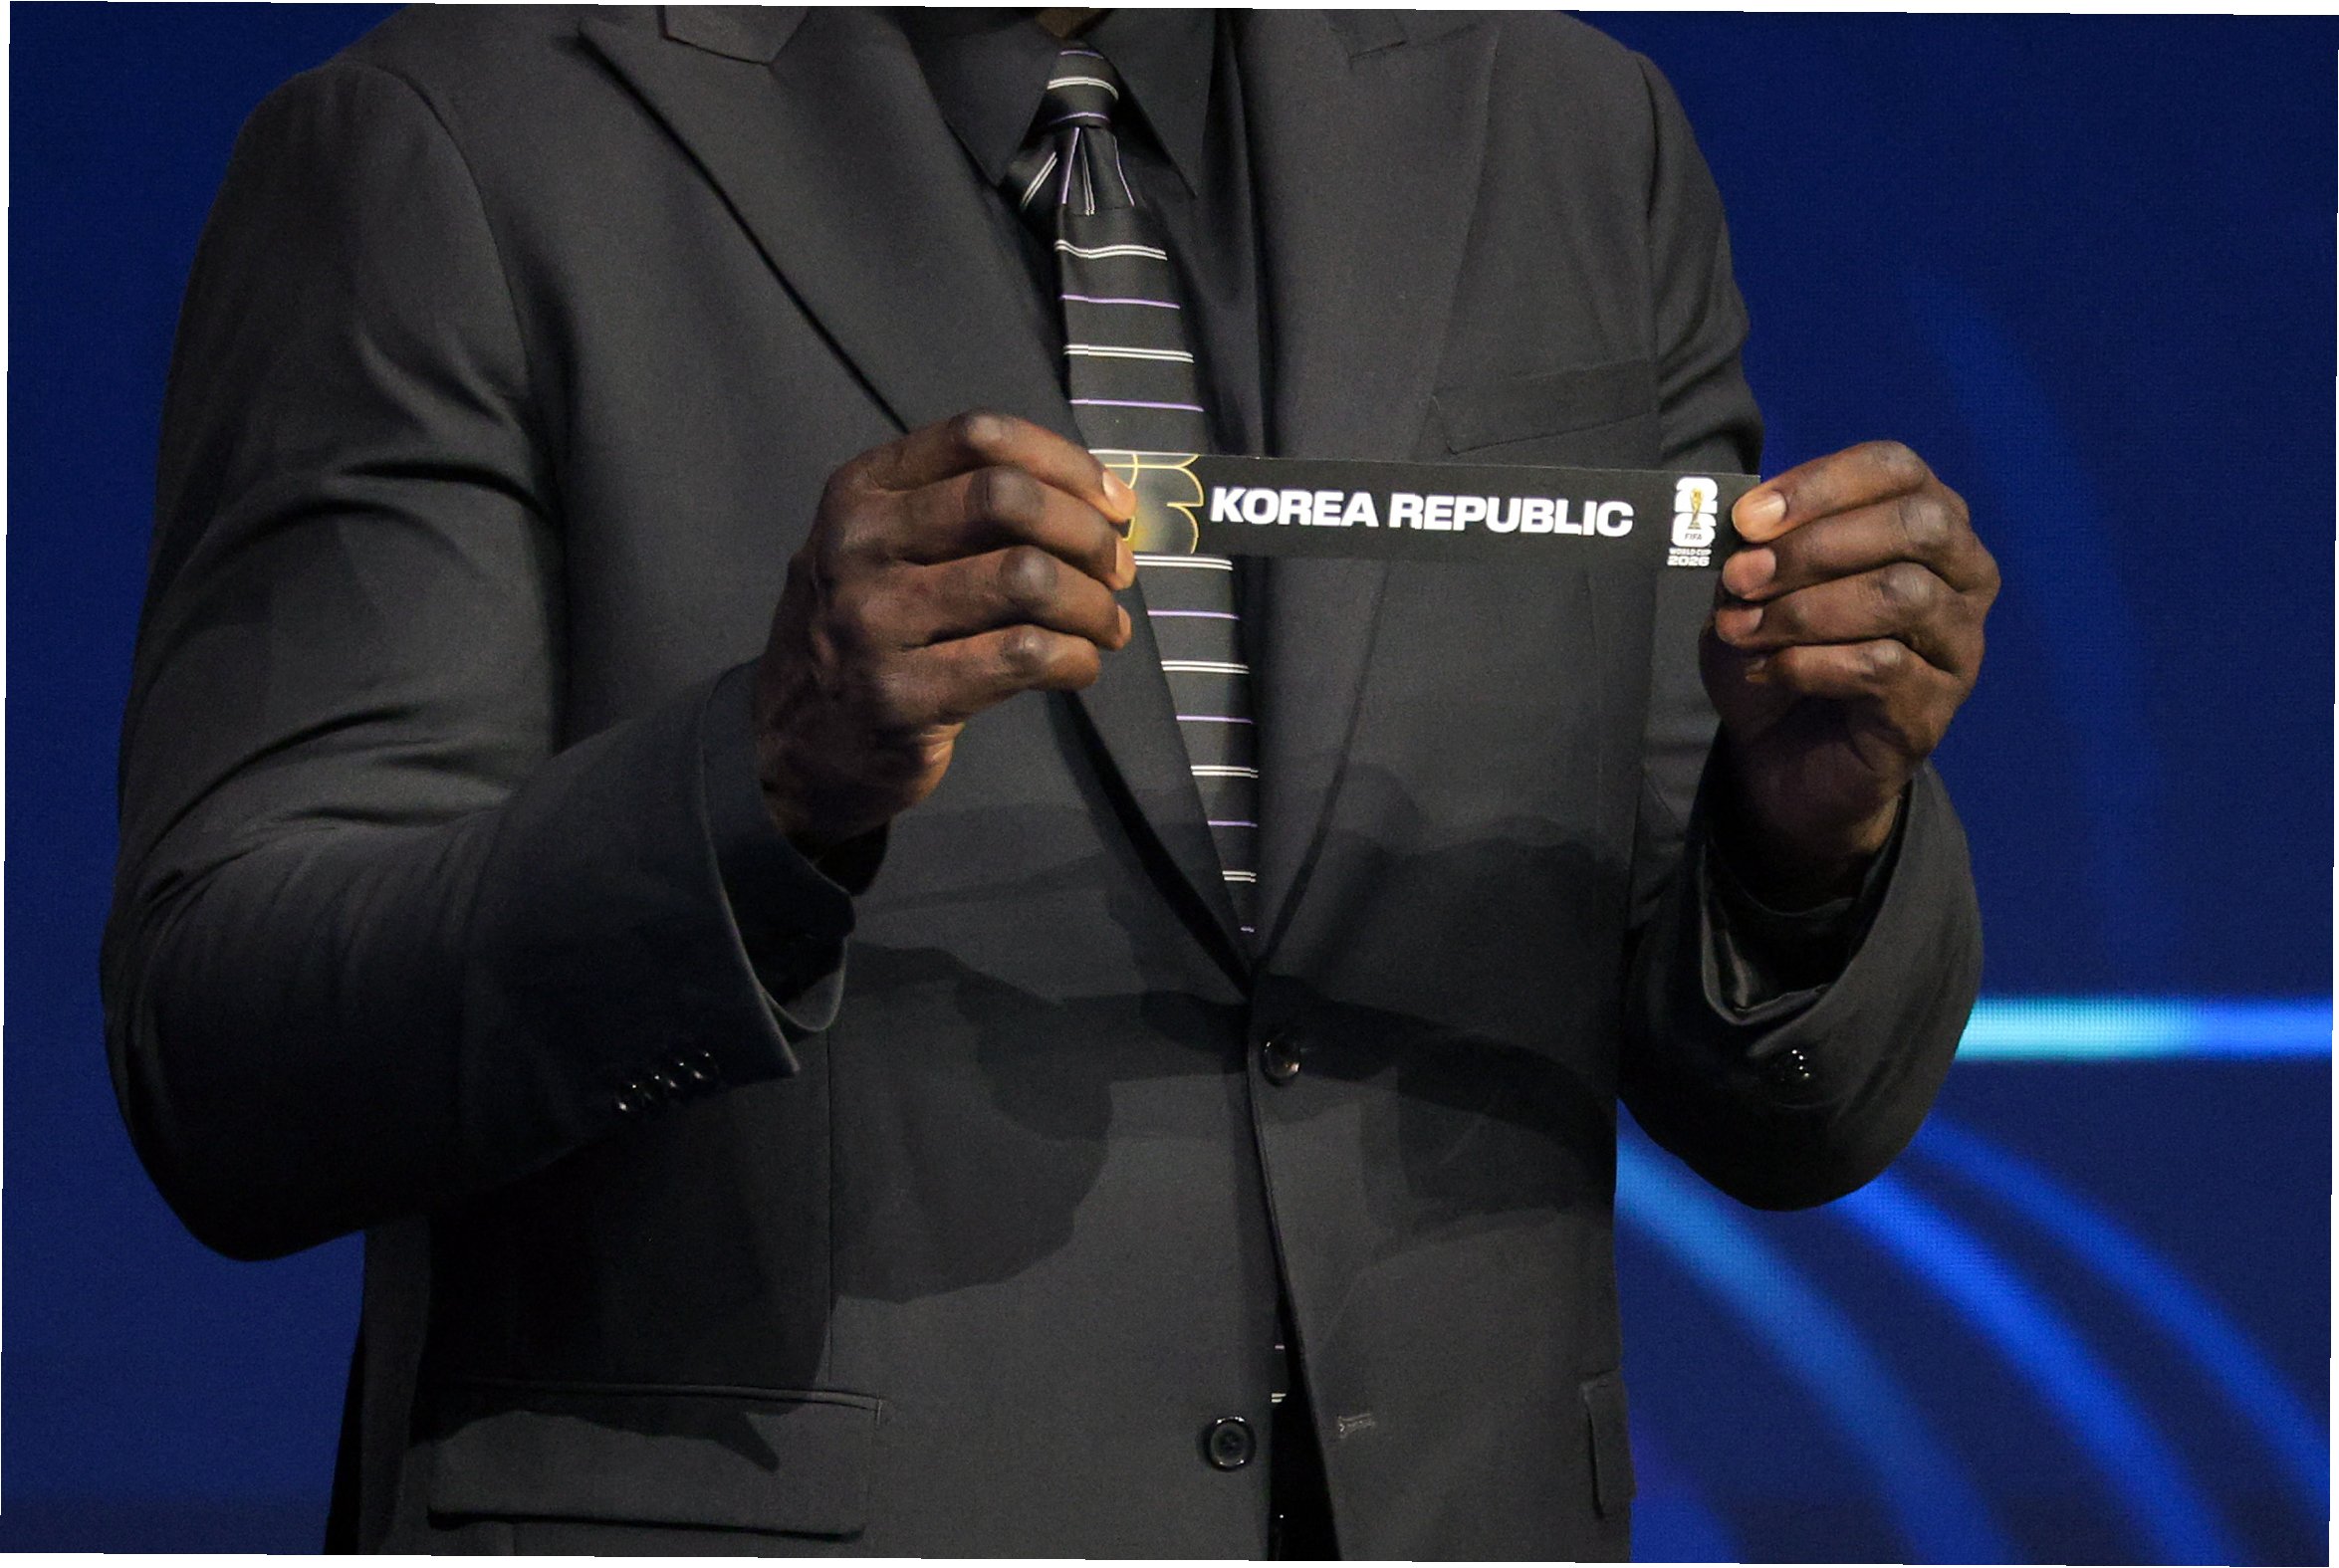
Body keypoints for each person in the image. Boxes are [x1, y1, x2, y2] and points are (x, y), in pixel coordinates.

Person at [102, 6, 1997, 1557]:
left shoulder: (1571, 127)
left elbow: (1785, 1101)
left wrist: (1804, 839)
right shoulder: (450, 141)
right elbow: (228, 1057)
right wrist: (762, 782)